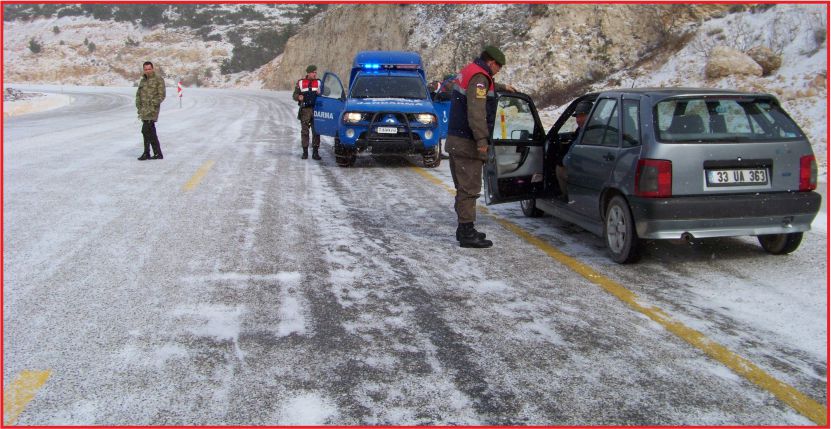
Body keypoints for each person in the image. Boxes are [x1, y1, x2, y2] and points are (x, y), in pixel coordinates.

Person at [446, 45, 515, 248]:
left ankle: (464, 228)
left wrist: (501, 87)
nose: (498, 70)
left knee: (463, 187)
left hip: (456, 140)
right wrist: (482, 142)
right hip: (467, 142)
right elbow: (476, 113)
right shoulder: (480, 77)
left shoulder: (472, 71)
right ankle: (467, 232)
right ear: (491, 62)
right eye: (498, 67)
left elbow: (479, 91)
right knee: (469, 188)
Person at [555, 100, 592, 201]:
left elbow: (569, 158)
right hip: (591, 168)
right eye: (577, 116)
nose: (578, 119)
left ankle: (567, 197)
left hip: (586, 170)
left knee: (559, 169)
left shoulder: (587, 132)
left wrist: (562, 161)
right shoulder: (592, 127)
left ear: (591, 114)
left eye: (582, 115)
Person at [135, 61, 166, 161]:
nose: (147, 71)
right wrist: (138, 106)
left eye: (149, 69)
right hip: (143, 110)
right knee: (151, 131)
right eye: (145, 69)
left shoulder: (158, 79)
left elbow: (161, 95)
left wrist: (152, 105)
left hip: (152, 110)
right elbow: (138, 94)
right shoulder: (143, 80)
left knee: (145, 130)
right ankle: (158, 153)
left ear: (152, 68)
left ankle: (146, 152)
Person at [292, 65, 322, 160]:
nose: (315, 74)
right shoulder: (300, 82)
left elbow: (327, 92)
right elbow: (294, 95)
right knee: (305, 131)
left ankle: (315, 153)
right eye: (313, 72)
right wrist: (298, 97)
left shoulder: (319, 82)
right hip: (305, 110)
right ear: (308, 73)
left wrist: (321, 92)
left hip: (316, 110)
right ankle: (305, 152)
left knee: (316, 131)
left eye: (315, 72)